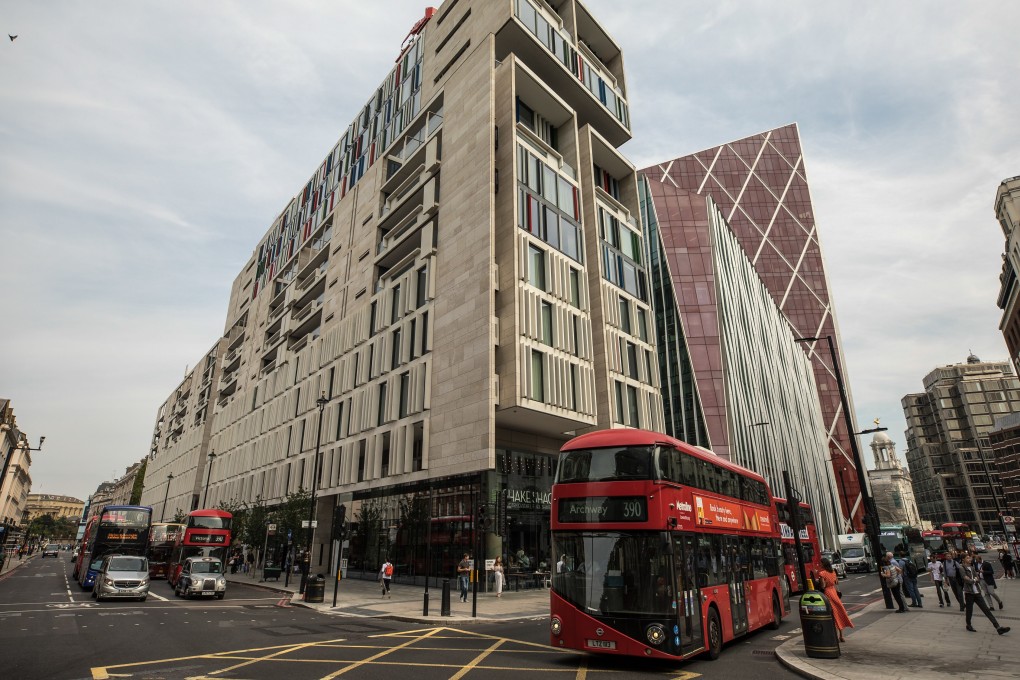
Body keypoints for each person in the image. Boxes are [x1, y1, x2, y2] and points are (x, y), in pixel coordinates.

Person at [961, 554, 1009, 635]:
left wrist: (974, 579)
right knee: (969, 611)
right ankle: (968, 625)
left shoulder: (972, 568)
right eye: (967, 558)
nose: (970, 559)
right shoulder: (962, 568)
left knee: (986, 610)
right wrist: (974, 580)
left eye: (970, 558)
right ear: (963, 559)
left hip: (977, 592)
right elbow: (966, 579)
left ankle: (998, 627)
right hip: (969, 593)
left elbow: (978, 579)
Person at [817, 558, 854, 642]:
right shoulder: (833, 571)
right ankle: (841, 636)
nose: (820, 564)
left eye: (821, 563)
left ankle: (835, 636)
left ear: (824, 564)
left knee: (833, 615)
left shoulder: (822, 573)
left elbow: (823, 586)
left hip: (828, 594)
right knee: (839, 612)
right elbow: (836, 582)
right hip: (834, 592)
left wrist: (820, 582)